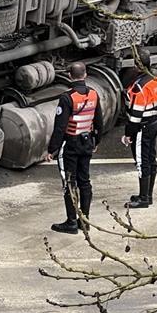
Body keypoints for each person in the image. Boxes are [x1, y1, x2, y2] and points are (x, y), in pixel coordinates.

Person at [45, 62, 103, 234]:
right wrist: (96, 141)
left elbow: (60, 127)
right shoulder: (94, 94)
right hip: (86, 143)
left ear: (70, 76)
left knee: (69, 182)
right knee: (84, 181)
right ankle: (84, 220)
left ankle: (71, 222)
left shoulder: (67, 98)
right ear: (85, 75)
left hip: (70, 144)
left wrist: (52, 149)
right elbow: (99, 120)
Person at [122, 49, 157, 209]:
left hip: (142, 127)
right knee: (151, 159)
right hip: (154, 124)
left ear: (136, 66)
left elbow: (135, 116)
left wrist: (128, 134)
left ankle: (143, 198)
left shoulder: (139, 88)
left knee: (142, 162)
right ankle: (148, 195)